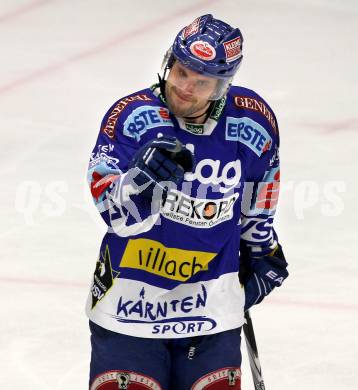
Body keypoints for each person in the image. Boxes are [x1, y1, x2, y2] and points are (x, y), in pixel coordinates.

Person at [86, 14, 289, 390]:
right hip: (129, 304)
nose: (184, 87)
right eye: (181, 72)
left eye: (201, 81)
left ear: (222, 86)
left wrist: (261, 249)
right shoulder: (132, 117)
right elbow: (113, 214)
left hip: (212, 305)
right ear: (169, 63)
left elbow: (259, 195)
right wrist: (140, 183)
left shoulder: (252, 122)